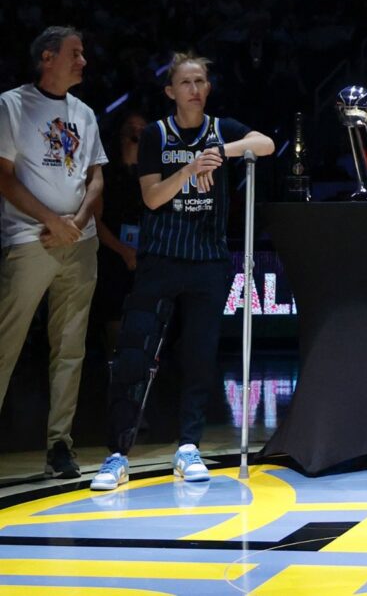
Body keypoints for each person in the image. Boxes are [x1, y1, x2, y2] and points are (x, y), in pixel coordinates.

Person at [90, 52, 273, 492]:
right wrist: (189, 169)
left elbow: (264, 143)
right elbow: (152, 198)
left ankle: (188, 445)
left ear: (208, 89)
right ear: (171, 91)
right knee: (135, 354)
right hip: (161, 257)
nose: (195, 88)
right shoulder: (155, 134)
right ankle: (117, 452)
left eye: (201, 81)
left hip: (208, 261)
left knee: (199, 357)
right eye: (186, 82)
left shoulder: (220, 128)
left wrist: (220, 152)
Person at [0, 26, 107, 479]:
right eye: (75, 53)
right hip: (31, 239)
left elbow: (97, 177)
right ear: (47, 57)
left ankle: (60, 444)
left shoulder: (83, 112)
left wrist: (78, 223)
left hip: (78, 243)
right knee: (7, 341)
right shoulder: (11, 104)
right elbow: (3, 177)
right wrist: (52, 221)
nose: (83, 61)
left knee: (70, 348)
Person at [94, 111, 146, 359]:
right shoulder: (106, 173)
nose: (136, 132)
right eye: (131, 126)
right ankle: (115, 362)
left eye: (141, 127)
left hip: (145, 254)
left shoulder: (153, 174)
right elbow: (96, 221)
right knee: (113, 309)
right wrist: (123, 251)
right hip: (112, 251)